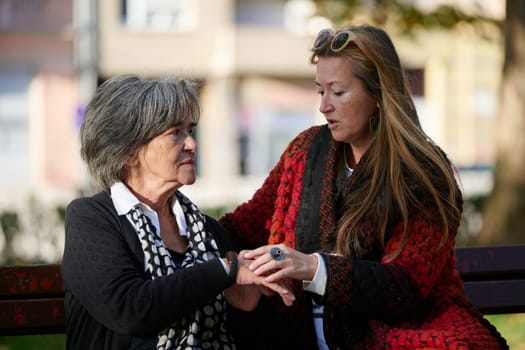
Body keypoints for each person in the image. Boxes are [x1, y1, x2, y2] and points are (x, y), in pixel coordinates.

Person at [219, 24, 508, 349]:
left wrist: (315, 268)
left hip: (390, 332)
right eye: (320, 91)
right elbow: (242, 225)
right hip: (297, 333)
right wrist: (167, 223)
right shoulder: (305, 151)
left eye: (338, 92)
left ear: (378, 93)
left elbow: (407, 285)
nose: (324, 105)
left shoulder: (422, 172)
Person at [61, 75, 294, 350]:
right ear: (127, 151)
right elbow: (129, 309)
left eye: (191, 131)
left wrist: (245, 305)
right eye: (175, 133)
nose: (192, 145)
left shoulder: (208, 232)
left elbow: (235, 333)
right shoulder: (92, 219)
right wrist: (225, 270)